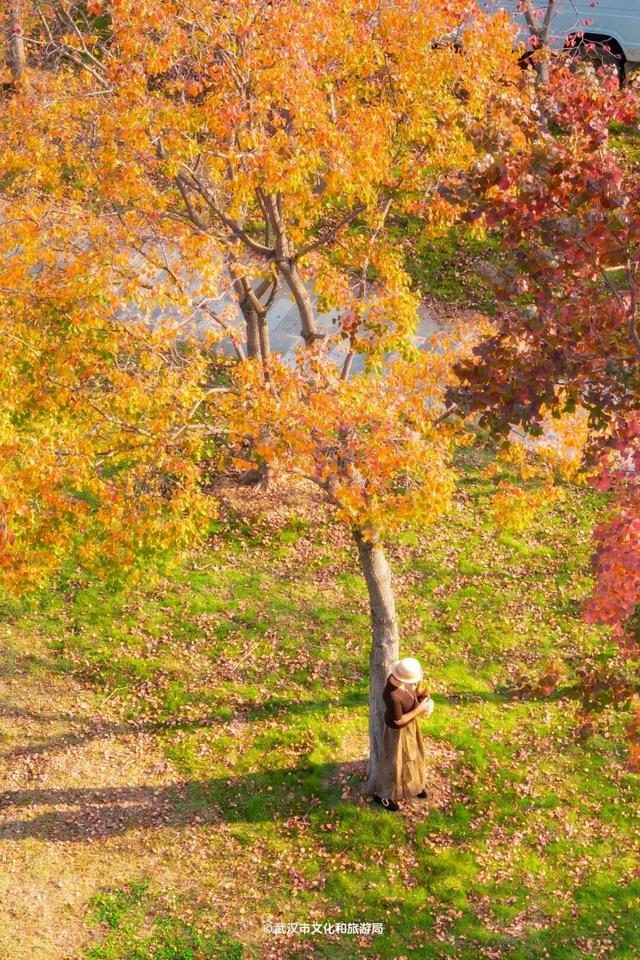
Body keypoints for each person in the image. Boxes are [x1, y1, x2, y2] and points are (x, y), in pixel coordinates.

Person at [373, 656, 434, 813]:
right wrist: (419, 710)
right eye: (412, 681)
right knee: (392, 763)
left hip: (410, 727)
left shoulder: (404, 683)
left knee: (413, 756)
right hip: (397, 733)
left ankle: (413, 785)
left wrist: (420, 696)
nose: (414, 683)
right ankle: (383, 796)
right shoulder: (392, 695)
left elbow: (410, 697)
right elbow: (399, 720)